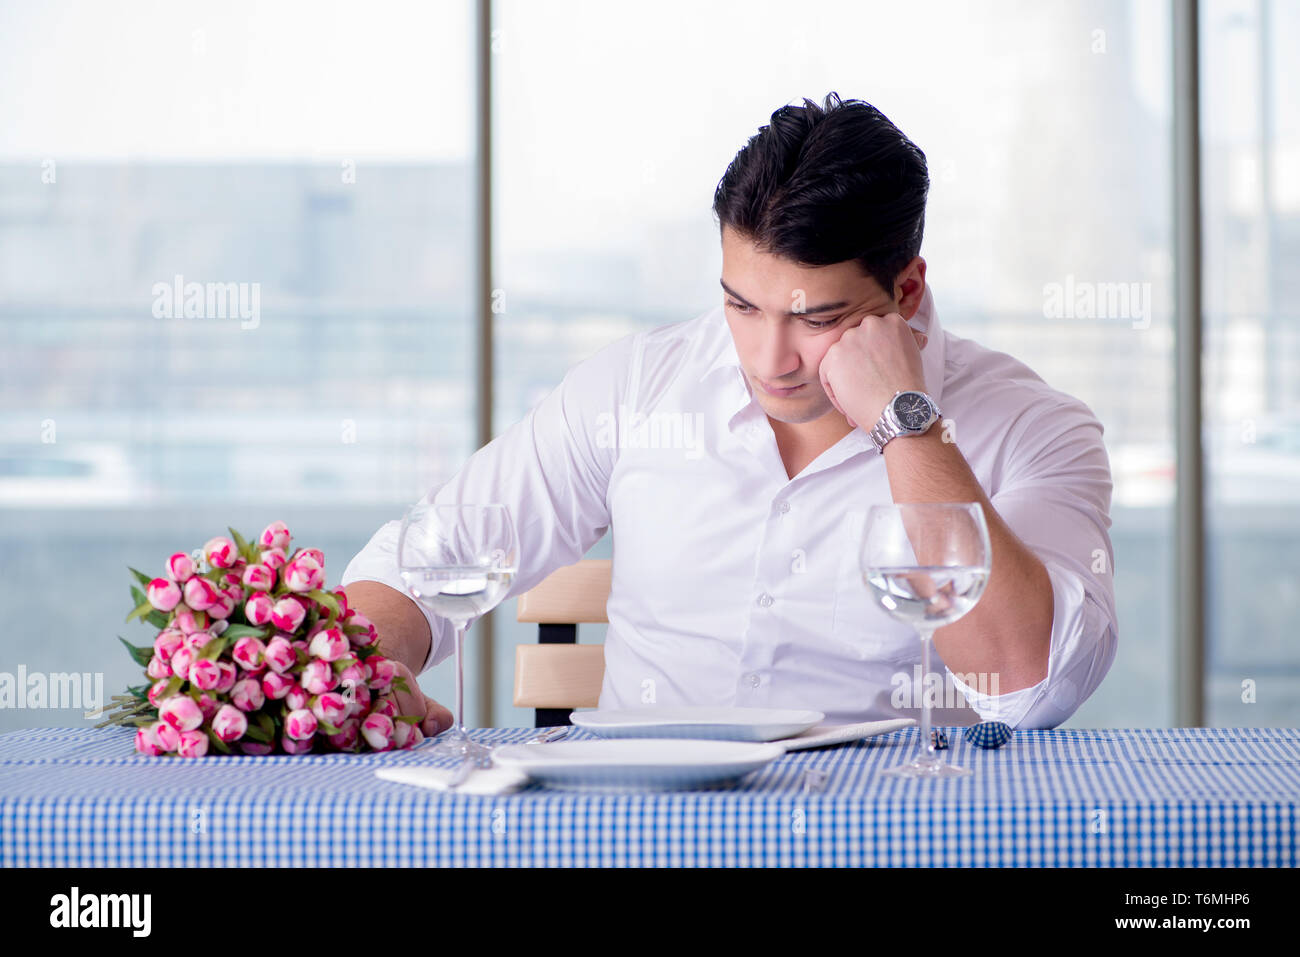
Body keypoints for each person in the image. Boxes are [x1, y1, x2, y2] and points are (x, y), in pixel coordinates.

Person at [341, 92, 1118, 738]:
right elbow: (415, 563)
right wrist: (372, 670)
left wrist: (903, 421)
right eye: (742, 305)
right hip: (641, 833)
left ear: (905, 292)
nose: (768, 358)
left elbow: (1031, 684)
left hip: (889, 827)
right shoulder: (637, 387)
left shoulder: (1033, 427)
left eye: (816, 319)